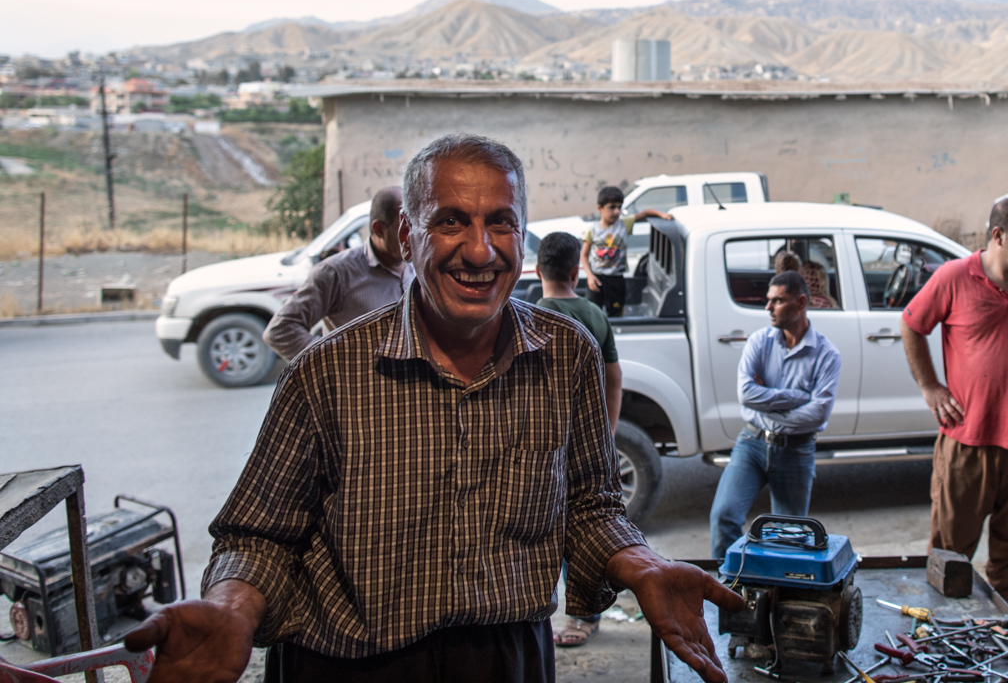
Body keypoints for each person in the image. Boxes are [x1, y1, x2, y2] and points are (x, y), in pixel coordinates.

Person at [124, 133, 742, 683]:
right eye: (451, 222)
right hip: (347, 664)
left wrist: (641, 563)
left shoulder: (567, 357)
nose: (480, 252)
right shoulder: (327, 372)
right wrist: (232, 608)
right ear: (405, 235)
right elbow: (258, 535)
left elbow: (589, 504)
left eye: (501, 223)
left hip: (507, 656)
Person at [899, 196, 1008, 599]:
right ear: (998, 235)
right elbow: (912, 325)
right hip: (967, 441)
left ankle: (998, 622)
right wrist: (930, 387)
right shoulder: (953, 278)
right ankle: (944, 630)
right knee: (949, 553)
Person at [709, 270, 842, 560]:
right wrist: (796, 398)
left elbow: (818, 414)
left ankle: (776, 598)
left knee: (790, 539)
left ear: (801, 302)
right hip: (752, 444)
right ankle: (727, 590)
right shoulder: (759, 342)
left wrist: (766, 404)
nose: (768, 308)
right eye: (768, 301)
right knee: (724, 517)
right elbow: (746, 395)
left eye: (777, 301)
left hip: (796, 452)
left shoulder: (827, 355)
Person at [532, 230, 621, 650]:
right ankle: (586, 613)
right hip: (587, 441)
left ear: (536, 270)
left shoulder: (530, 316)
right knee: (585, 526)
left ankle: (572, 614)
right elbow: (614, 379)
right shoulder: (595, 315)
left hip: (545, 446)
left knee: (550, 529)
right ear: (575, 270)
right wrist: (607, 431)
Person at [263, 185, 413, 361]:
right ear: (379, 229)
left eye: (418, 226)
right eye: (404, 228)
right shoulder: (336, 273)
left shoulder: (420, 267)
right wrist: (332, 364)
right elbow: (281, 331)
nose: (413, 236)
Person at [581, 186, 673, 318]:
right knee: (592, 314)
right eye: (612, 207)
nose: (617, 211)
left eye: (619, 207)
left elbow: (646, 213)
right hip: (597, 278)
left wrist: (662, 215)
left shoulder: (624, 224)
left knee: (616, 312)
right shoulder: (592, 230)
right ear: (600, 208)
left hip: (616, 279)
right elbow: (583, 256)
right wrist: (590, 276)